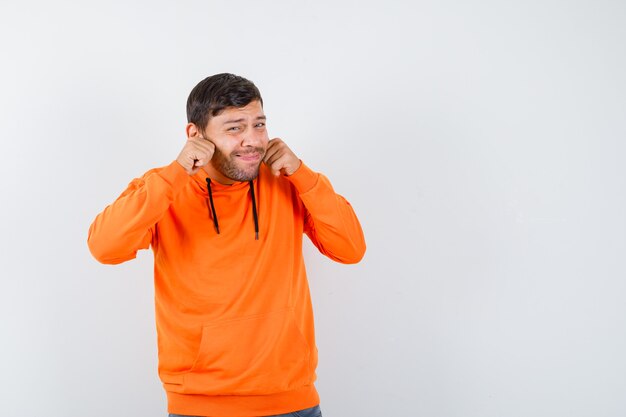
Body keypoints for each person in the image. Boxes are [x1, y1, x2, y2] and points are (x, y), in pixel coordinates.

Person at [87, 73, 366, 417]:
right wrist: (177, 173)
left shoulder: (288, 181)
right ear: (196, 135)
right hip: (199, 406)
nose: (252, 140)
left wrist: (303, 175)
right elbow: (104, 247)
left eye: (259, 125)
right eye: (235, 128)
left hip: (292, 401)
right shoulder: (163, 188)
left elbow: (351, 249)